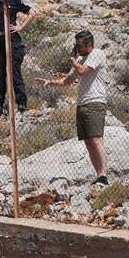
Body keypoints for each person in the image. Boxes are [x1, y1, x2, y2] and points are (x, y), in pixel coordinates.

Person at [38, 30, 108, 185]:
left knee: (96, 139)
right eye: (76, 46)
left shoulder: (97, 53)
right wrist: (50, 82)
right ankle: (99, 175)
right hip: (83, 103)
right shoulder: (80, 59)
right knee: (88, 141)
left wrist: (73, 59)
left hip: (95, 102)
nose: (77, 49)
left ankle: (104, 175)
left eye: (80, 46)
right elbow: (68, 80)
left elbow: (82, 71)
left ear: (90, 45)